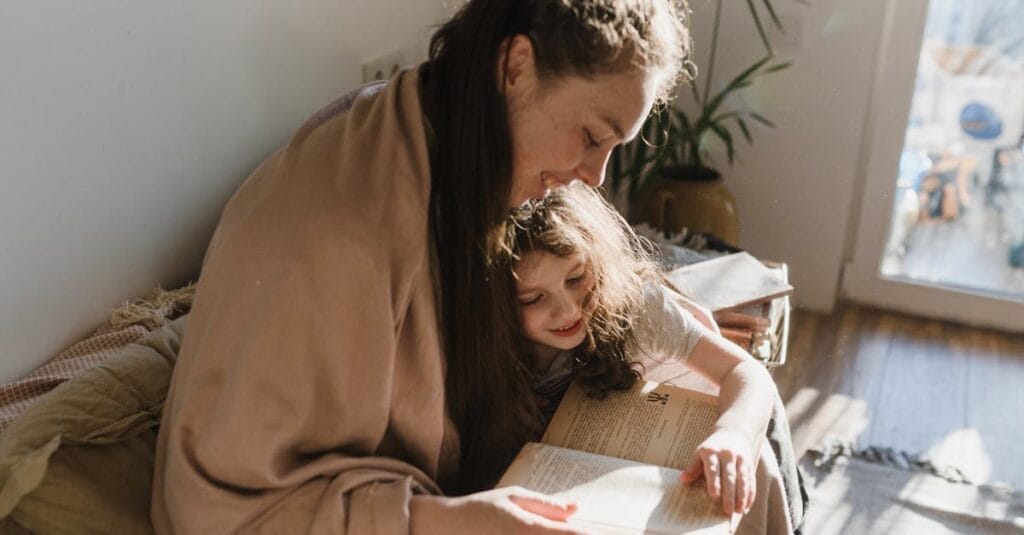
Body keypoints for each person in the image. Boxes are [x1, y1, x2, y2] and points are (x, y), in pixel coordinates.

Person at [152, 0, 693, 533]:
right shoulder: (337, 233)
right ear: (516, 66)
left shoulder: (454, 141)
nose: (597, 176)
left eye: (613, 147)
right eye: (592, 137)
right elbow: (225, 509)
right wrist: (445, 521)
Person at [504, 183, 777, 520]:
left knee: (757, 457)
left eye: (576, 278)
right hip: (563, 485)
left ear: (598, 260)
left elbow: (749, 372)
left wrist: (734, 434)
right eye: (533, 299)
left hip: (660, 463)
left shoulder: (638, 306)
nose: (566, 310)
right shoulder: (493, 346)